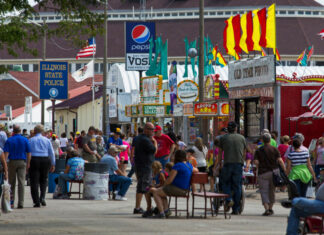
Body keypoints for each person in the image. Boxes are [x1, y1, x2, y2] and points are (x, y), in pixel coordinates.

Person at [150, 150, 198, 218]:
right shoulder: (189, 165)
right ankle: (166, 211)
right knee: (161, 192)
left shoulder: (177, 166)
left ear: (177, 157)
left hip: (177, 189)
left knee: (155, 192)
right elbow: (196, 170)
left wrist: (163, 185)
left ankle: (161, 213)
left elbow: (169, 180)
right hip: (185, 190)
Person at [213, 121, 247, 215]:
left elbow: (220, 154)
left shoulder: (223, 138)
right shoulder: (242, 138)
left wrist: (218, 165)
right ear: (236, 129)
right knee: (237, 186)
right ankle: (235, 209)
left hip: (227, 164)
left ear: (228, 129)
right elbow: (244, 152)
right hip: (238, 164)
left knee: (225, 183)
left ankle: (228, 199)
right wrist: (242, 161)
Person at [254, 133, 286, 216]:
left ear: (262, 140)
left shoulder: (258, 150)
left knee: (263, 191)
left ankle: (266, 208)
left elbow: (256, 162)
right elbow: (280, 160)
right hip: (274, 173)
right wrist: (284, 170)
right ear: (270, 140)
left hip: (263, 173)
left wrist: (259, 167)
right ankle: (271, 208)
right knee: (272, 191)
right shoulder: (275, 149)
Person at [3, 125, 31, 209]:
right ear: (20, 131)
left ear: (13, 131)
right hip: (22, 162)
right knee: (21, 182)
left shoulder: (9, 140)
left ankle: (11, 202)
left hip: (12, 162)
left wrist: (5, 165)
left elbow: (6, 153)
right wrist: (28, 163)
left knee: (11, 182)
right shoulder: (25, 140)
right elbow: (29, 153)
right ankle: (21, 203)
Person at [132, 122, 157, 214]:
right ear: (146, 129)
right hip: (145, 166)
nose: (153, 131)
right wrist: (155, 142)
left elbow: (133, 148)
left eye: (153, 130)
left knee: (144, 186)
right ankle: (142, 207)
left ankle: (144, 207)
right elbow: (154, 151)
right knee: (145, 186)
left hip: (139, 164)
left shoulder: (137, 138)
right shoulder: (146, 140)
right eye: (151, 130)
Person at [29, 125, 55, 207]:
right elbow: (51, 152)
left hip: (34, 159)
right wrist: (53, 163)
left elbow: (28, 152)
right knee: (44, 179)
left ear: (34, 131)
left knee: (34, 181)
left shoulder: (31, 140)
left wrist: (27, 163)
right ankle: (42, 197)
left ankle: (36, 201)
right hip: (45, 159)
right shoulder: (47, 140)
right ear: (42, 131)